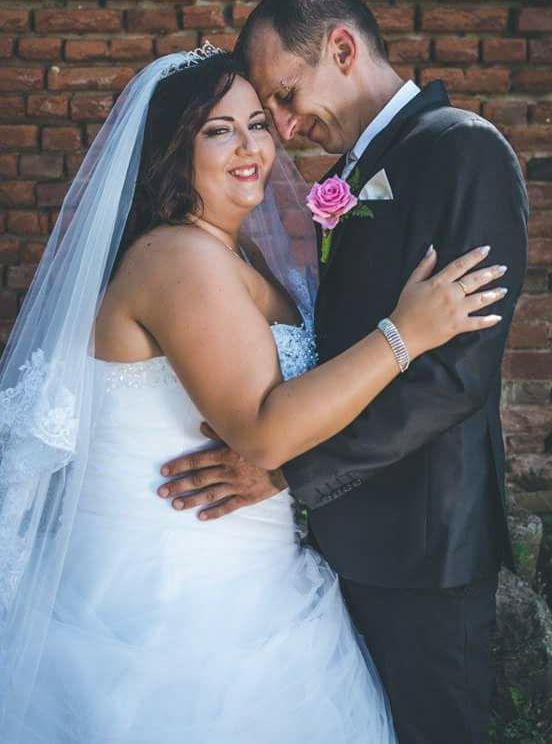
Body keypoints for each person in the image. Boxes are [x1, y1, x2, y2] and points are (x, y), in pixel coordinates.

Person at [0, 46, 506, 744]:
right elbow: (263, 433)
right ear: (174, 150)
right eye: (219, 130)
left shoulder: (234, 253)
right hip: (172, 600)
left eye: (258, 125)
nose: (250, 147)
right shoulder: (178, 258)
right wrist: (405, 334)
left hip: (249, 573)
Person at [160, 0, 529, 743]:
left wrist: (289, 471)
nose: (284, 128)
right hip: (345, 538)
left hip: (424, 546)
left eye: (284, 98)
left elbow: (456, 378)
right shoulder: (354, 172)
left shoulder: (463, 149)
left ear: (342, 48)